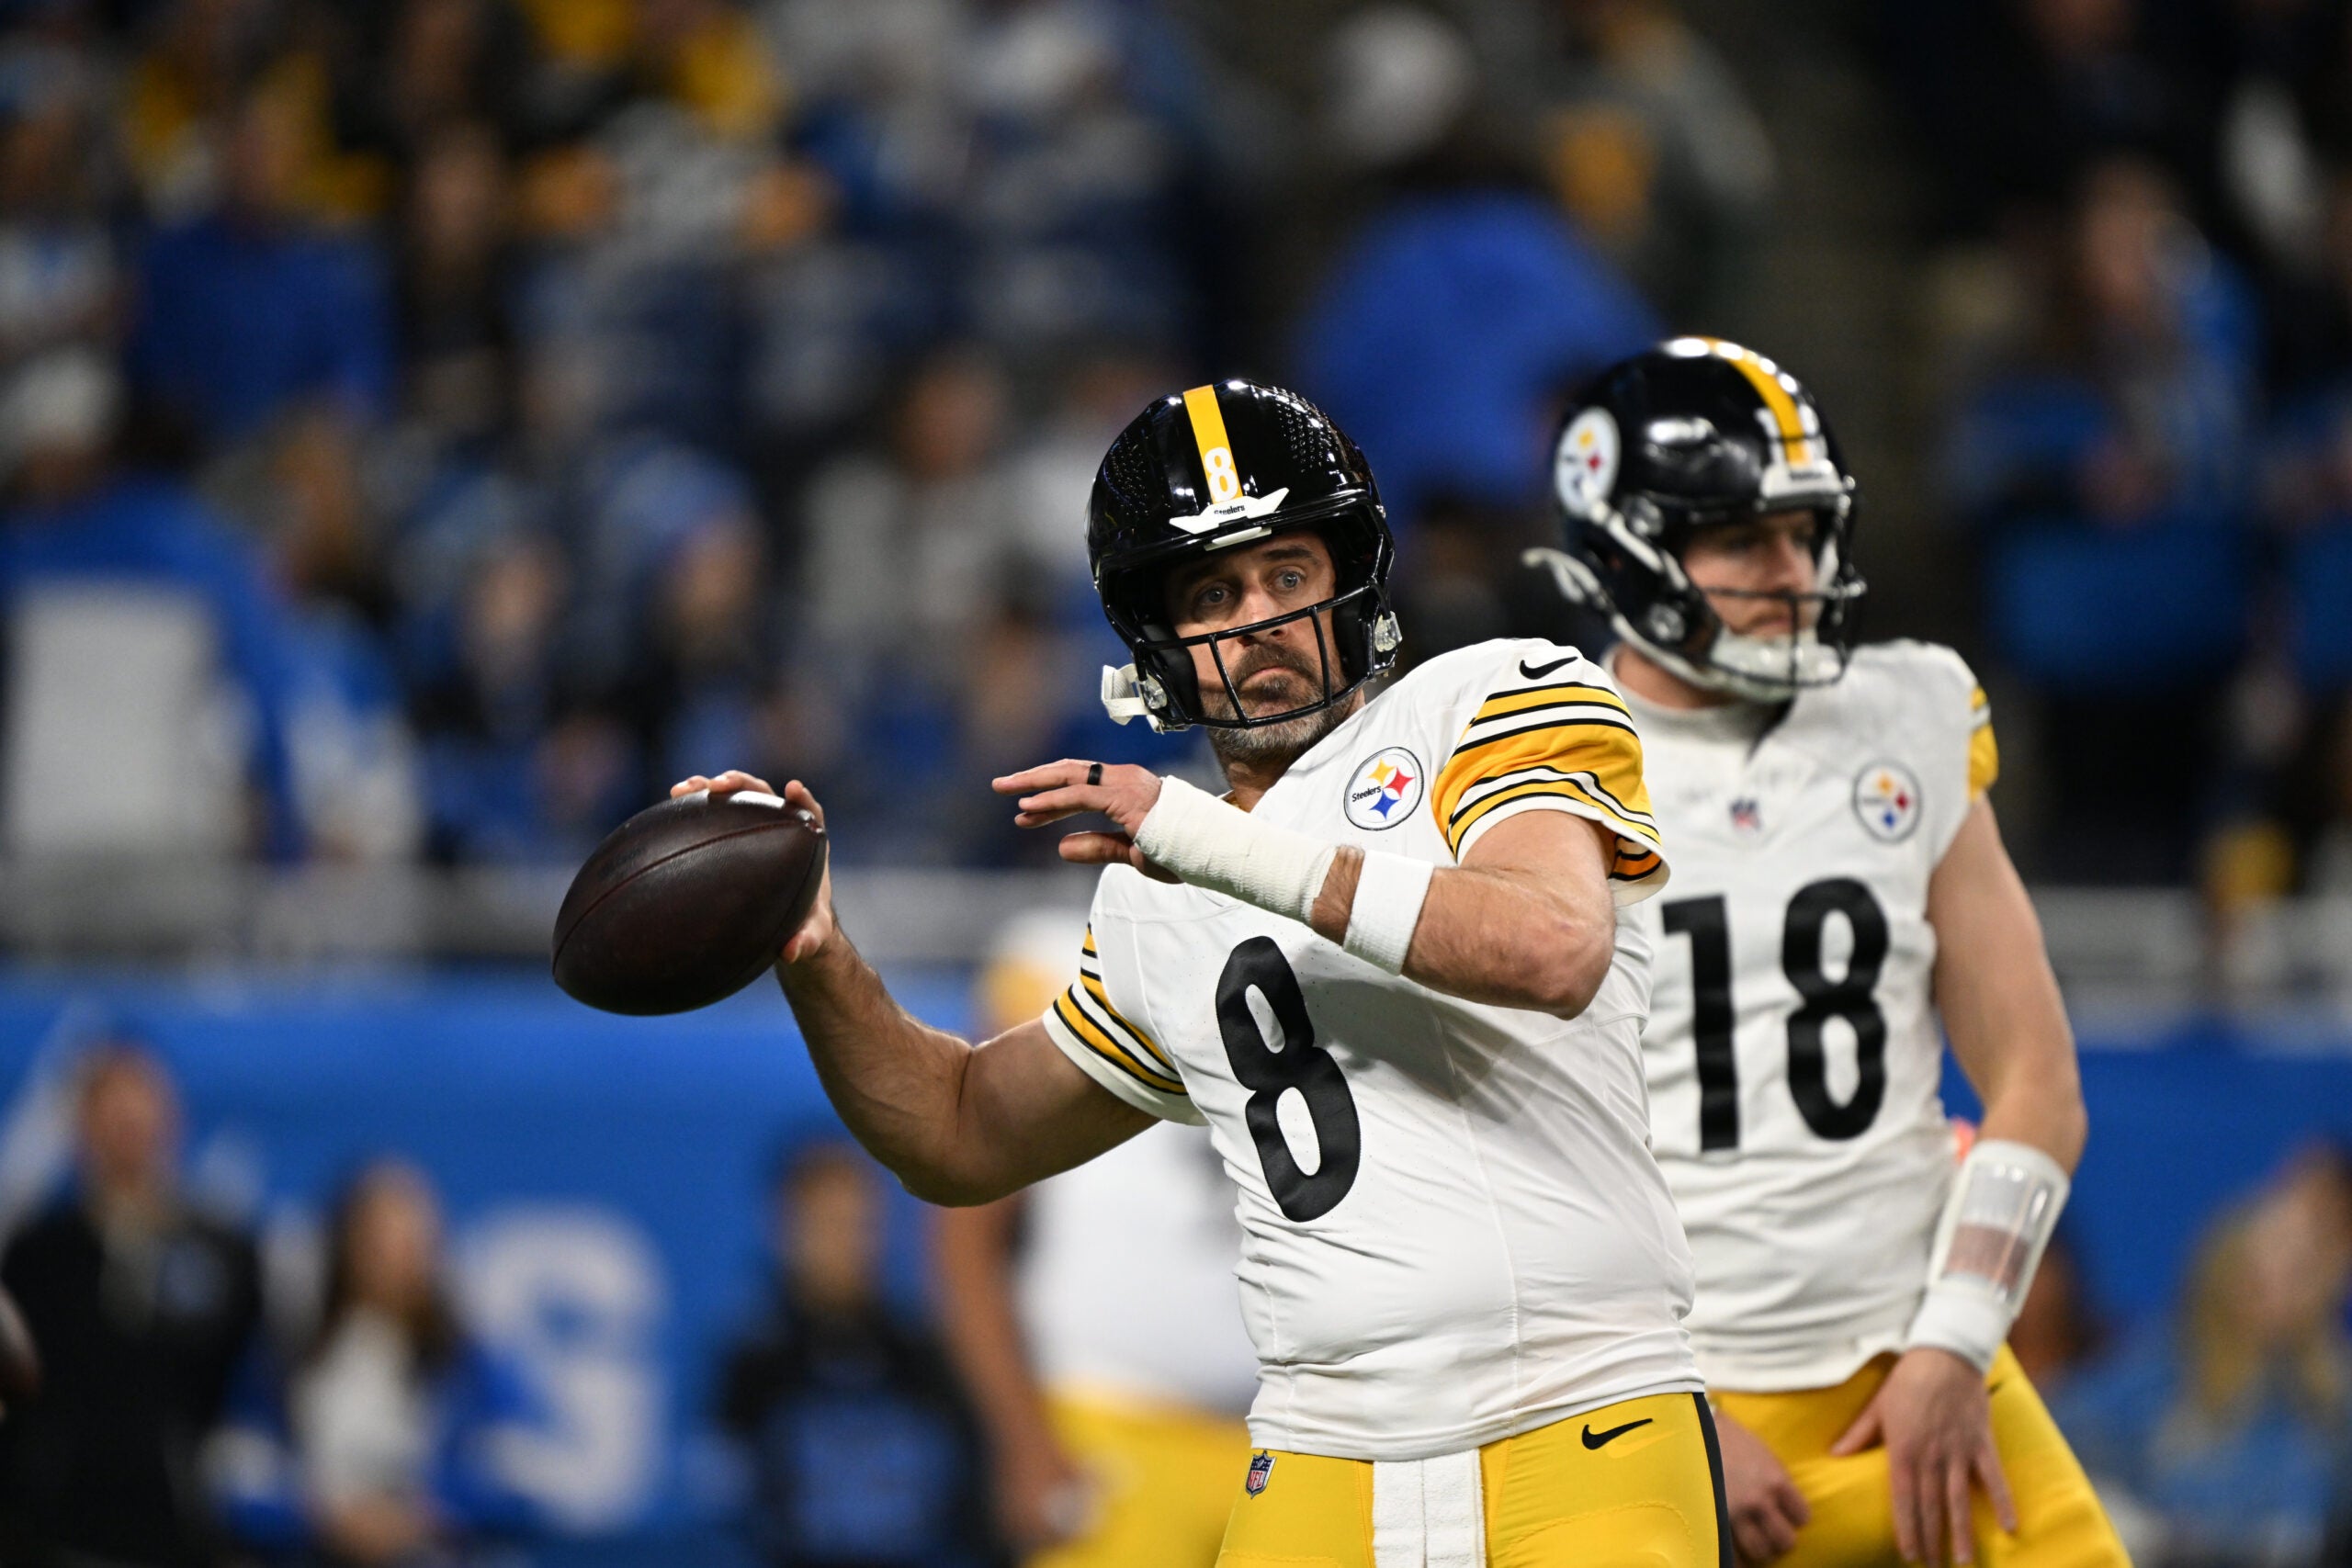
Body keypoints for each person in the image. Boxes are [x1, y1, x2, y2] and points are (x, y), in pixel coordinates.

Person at [677, 378, 1730, 1565]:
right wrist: (818, 953)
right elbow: (961, 1129)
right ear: (1156, 639)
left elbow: (1551, 944)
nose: (1259, 619)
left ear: (1351, 579)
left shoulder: (1489, 699)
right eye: (1213, 591)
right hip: (1318, 1451)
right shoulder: (1154, 890)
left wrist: (1212, 842)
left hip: (1578, 1415)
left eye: (1286, 573)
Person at [1531, 336, 2129, 1568]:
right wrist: (1663, 1408)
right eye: (1746, 539)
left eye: (1806, 534)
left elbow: (2036, 1077)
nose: (1791, 572)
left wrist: (1957, 1341)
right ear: (1629, 549)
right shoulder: (1531, 765)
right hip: (1651, 1395)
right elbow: (1494, 1160)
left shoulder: (1904, 711)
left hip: (1914, 1360)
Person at [933, 911, 1258, 1566]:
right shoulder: (1057, 955)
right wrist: (1022, 1438)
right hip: (1107, 1423)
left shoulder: (1304, 933)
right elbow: (967, 1237)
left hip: (1284, 1432)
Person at [0, 1042, 264, 1568]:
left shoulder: (225, 1255)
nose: (128, 1131)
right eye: (110, 1114)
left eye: (140, 1113)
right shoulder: (39, 1255)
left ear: (173, 1121)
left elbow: (247, 1397)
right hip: (55, 1535)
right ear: (80, 1129)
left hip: (186, 1535)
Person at [715, 1140, 1000, 1568]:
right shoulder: (753, 1365)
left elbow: (969, 1500)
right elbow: (725, 1509)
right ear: (784, 1228)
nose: (844, 1245)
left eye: (859, 1225)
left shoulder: (924, 1357)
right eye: (826, 1225)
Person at [287, 1159, 537, 1566]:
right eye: (376, 1240)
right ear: (344, 1244)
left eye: (409, 1241)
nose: (393, 1257)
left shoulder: (471, 1360)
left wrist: (416, 1511)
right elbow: (241, 1476)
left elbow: (519, 1479)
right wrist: (325, 1516)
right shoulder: (294, 1353)